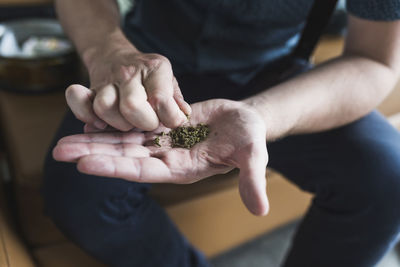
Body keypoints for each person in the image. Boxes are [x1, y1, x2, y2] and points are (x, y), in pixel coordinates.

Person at [42, 0, 400, 266]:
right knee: (79, 191)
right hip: (145, 69)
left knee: (388, 177)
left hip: (276, 77)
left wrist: (260, 115)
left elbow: (374, 60)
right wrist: (108, 51)